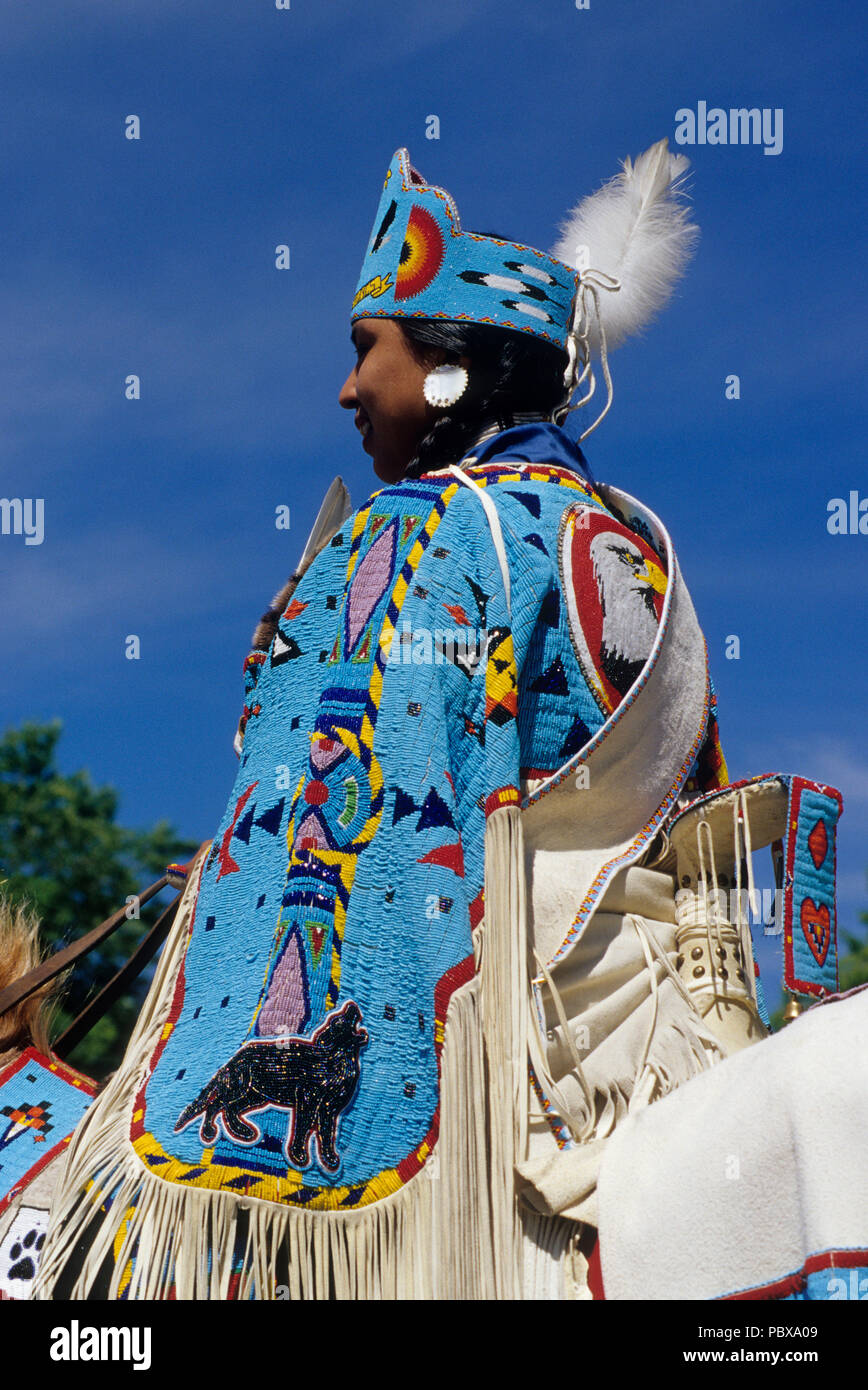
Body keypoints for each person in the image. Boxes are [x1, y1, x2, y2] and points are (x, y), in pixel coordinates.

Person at [36, 141, 836, 1302]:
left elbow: (327, 837)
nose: (349, 390)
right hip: (650, 1081)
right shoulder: (626, 546)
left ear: (452, 371)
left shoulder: (417, 537)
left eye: (369, 349)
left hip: (473, 1128)